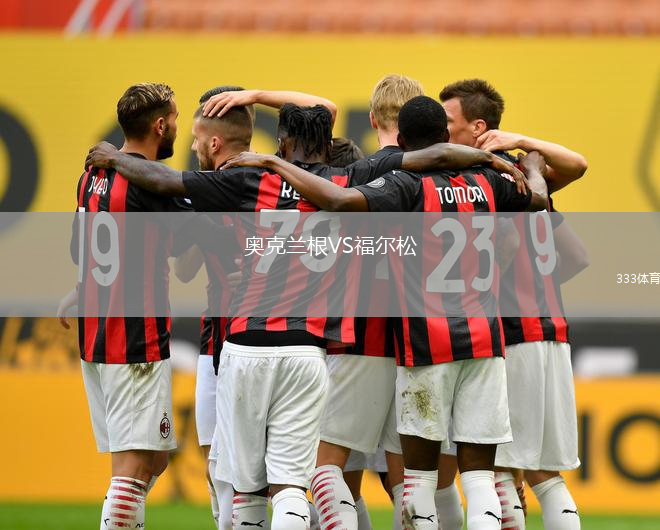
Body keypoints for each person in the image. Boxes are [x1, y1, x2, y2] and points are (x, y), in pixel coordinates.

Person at [220, 95, 549, 530]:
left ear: (405, 145)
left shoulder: (403, 185)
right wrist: (531, 166)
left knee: (412, 479)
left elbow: (339, 202)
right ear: (446, 136)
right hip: (485, 341)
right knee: (478, 478)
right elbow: (538, 199)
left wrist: (275, 165)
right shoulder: (487, 180)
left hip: (423, 345)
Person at [440, 78, 588, 530]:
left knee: (497, 467)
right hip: (551, 333)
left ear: (478, 127)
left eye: (449, 120)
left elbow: (502, 248)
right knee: (544, 473)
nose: (443, 129)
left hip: (510, 336)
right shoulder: (530, 177)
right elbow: (578, 256)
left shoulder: (485, 181)